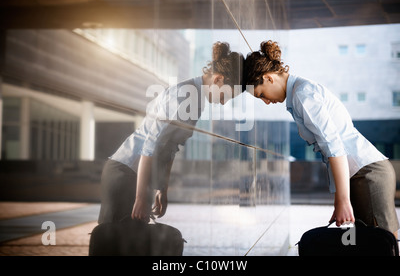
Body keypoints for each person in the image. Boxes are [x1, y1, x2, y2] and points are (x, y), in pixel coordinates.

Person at [243, 40, 399, 238]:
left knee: (382, 246)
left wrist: (342, 200)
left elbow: (334, 147)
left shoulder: (302, 94)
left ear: (268, 78)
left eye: (261, 94)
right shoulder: (299, 94)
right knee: (367, 246)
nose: (266, 102)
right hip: (360, 174)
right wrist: (339, 199)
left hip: (367, 174)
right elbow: (329, 152)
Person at [98, 42, 243, 224]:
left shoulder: (197, 100)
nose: (223, 103)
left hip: (138, 178)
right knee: (113, 243)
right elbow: (151, 145)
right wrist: (141, 197)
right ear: (218, 79)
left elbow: (171, 147)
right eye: (225, 96)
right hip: (125, 173)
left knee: (130, 245)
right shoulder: (184, 94)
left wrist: (161, 189)